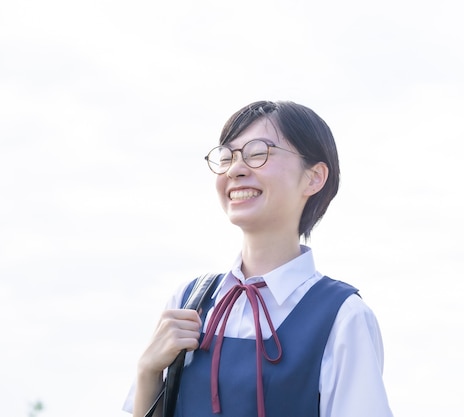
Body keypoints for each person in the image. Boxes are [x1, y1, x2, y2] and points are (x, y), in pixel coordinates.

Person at [123, 100, 393, 417]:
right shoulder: (188, 302)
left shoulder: (342, 316)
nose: (236, 169)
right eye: (227, 157)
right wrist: (147, 373)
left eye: (257, 153)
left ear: (314, 177)